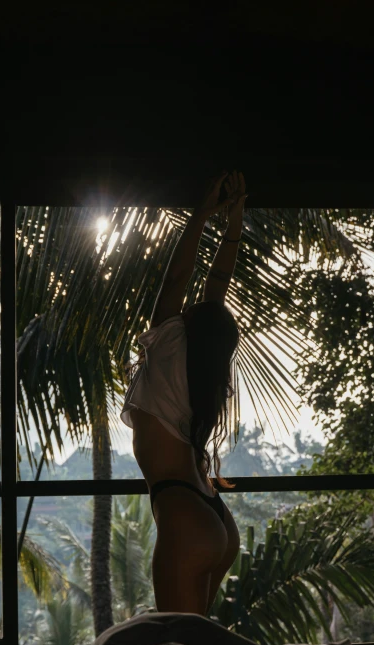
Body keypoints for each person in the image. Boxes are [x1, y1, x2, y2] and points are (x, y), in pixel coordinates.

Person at [120, 170, 248, 616]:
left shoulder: (169, 345)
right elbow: (218, 284)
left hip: (182, 513)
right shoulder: (207, 371)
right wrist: (232, 222)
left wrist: (202, 214)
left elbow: (177, 277)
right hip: (213, 516)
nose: (192, 302)